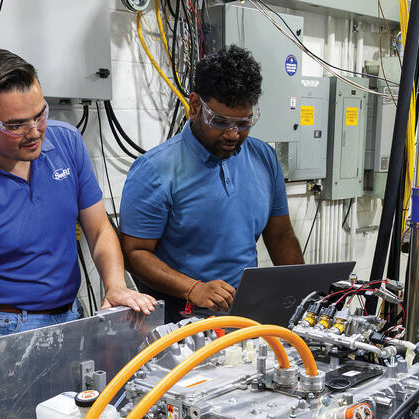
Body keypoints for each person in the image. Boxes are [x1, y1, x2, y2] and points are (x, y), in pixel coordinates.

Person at [0, 49, 155, 410]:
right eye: (16, 124)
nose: (34, 133)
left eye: (40, 115)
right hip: (12, 329)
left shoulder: (65, 143)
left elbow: (98, 230)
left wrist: (114, 285)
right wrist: (3, 406)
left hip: (72, 314)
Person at [119, 45, 304, 322]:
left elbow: (281, 236)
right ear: (195, 106)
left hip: (246, 314)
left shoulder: (263, 157)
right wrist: (193, 288)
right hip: (183, 318)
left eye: (243, 123)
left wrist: (304, 296)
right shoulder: (155, 169)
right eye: (220, 121)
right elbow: (135, 253)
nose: (232, 134)